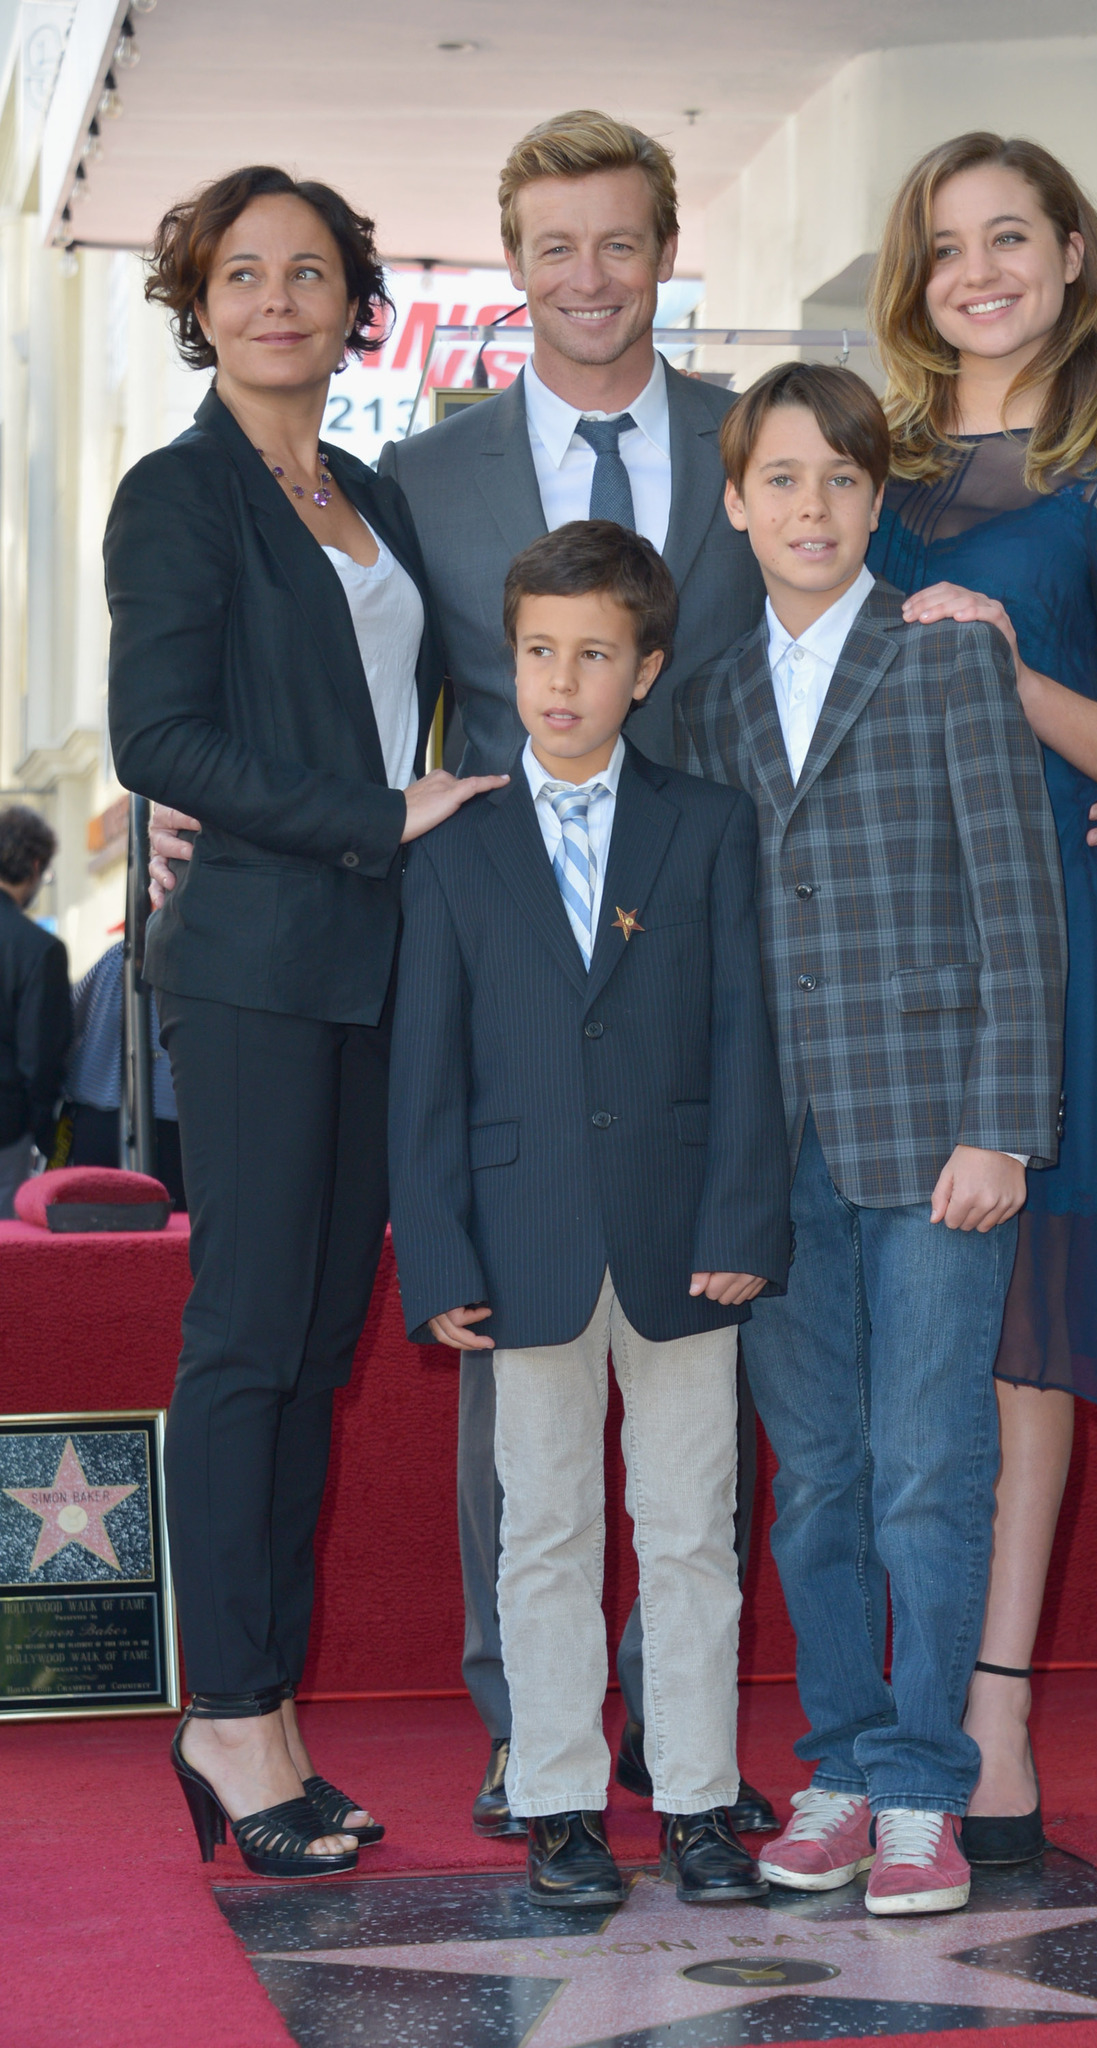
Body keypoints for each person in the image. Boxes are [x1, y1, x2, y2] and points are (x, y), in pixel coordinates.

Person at [152, 111, 777, 1842]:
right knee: (468, 1342)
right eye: (554, 246)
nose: (590, 277)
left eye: (622, 242)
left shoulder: (747, 443)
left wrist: (1016, 693)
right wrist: (205, 816)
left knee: (673, 1407)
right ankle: (513, 1730)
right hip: (459, 957)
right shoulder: (415, 473)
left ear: (662, 251)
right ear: (509, 268)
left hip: (688, 941)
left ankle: (677, 1737)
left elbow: (845, 596)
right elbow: (227, 708)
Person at [105, 164, 504, 1879]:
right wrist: (378, 812)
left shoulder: (367, 495)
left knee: (320, 1344)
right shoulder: (176, 494)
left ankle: (259, 1714)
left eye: (312, 272)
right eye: (242, 272)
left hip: (376, 967)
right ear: (197, 302)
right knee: (249, 1339)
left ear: (359, 305)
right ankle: (232, 1714)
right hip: (262, 964)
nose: (277, 297)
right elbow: (159, 743)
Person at [678, 362, 1067, 1916]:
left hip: (934, 1145)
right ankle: (837, 1763)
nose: (812, 507)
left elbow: (1016, 906)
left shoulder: (943, 659)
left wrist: (1003, 1126)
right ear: (736, 503)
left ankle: (921, 1788)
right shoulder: (699, 700)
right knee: (818, 1480)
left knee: (926, 1469)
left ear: (874, 501)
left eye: (841, 479)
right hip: (771, 1161)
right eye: (781, 479)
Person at [864, 132, 1097, 1862]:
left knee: (1019, 1347)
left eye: (1012, 235)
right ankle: (881, 1716)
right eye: (945, 247)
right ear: (911, 278)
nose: (978, 270)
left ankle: (994, 1708)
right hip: (861, 953)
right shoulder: (866, 472)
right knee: (868, 1327)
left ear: (1075, 255)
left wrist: (1020, 686)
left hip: (1040, 943)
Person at [388, 521, 790, 1908]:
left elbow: (746, 1034)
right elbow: (423, 1069)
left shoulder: (705, 825)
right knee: (543, 1528)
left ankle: (693, 1801)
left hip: (686, 1237)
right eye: (539, 651)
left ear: (646, 669)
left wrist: (746, 1218)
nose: (562, 679)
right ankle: (558, 1798)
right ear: (510, 661)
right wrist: (435, 1247)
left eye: (595, 654)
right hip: (519, 1243)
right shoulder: (453, 849)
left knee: (692, 1528)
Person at [59, 940, 185, 1209]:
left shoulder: (120, 956)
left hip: (98, 1113)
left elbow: (68, 1022)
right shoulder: (205, 959)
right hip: (177, 1119)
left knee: (96, 1223)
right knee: (173, 1228)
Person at [0, 808, 71, 1219]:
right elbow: (40, 1055)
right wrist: (43, 1129)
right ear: (35, 865)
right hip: (7, 1130)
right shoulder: (39, 949)